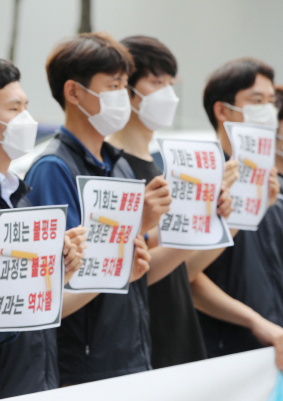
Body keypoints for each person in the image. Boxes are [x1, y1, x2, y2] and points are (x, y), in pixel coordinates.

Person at [25, 32, 156, 386]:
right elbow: (67, 273)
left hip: (131, 349)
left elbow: (132, 261)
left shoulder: (119, 164)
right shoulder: (54, 168)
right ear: (74, 92)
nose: (123, 96)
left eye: (125, 85)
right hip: (86, 366)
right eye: (113, 85)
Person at [0, 55, 86, 397]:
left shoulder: (21, 195)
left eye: (26, 106)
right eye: (14, 109)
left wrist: (61, 273)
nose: (26, 119)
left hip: (40, 381)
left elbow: (33, 304)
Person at [107, 35, 238, 368]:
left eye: (169, 83)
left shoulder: (158, 167)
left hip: (179, 335)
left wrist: (216, 219)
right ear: (125, 89)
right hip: (142, 342)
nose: (167, 93)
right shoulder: (112, 169)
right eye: (156, 81)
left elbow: (183, 269)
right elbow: (136, 272)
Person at [196, 59, 283, 365]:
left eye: (271, 103)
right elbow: (189, 277)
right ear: (223, 110)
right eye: (257, 101)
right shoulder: (202, 179)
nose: (268, 112)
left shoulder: (268, 182)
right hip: (228, 355)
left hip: (273, 349)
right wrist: (256, 322)